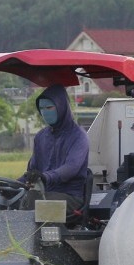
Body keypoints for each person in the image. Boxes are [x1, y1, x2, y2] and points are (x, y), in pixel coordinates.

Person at [19, 84, 89, 213]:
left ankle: (25, 228)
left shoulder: (78, 136)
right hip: (43, 193)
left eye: (49, 107)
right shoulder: (41, 136)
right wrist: (8, 185)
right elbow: (33, 171)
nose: (45, 112)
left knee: (33, 201)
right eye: (41, 108)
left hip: (70, 196)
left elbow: (71, 168)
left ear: (61, 107)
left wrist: (46, 177)